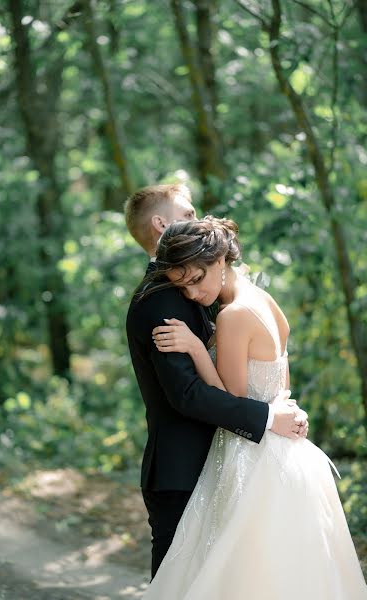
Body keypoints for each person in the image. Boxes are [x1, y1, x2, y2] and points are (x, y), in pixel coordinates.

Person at [143, 216, 367, 599]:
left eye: (197, 280)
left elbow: (230, 402)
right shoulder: (266, 301)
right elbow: (281, 383)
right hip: (287, 455)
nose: (193, 295)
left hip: (250, 457)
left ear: (219, 262)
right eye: (184, 287)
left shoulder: (232, 316)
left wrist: (197, 349)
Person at [125, 184, 308, 579]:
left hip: (228, 463)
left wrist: (280, 405)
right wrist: (267, 417)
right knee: (179, 585)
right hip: (183, 469)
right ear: (162, 225)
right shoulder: (163, 299)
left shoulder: (216, 297)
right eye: (188, 214)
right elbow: (187, 395)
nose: (199, 220)